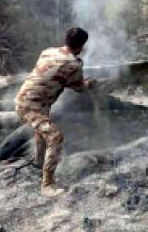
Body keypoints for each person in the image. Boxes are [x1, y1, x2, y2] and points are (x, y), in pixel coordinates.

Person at [15, 27, 95, 196]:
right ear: (81, 46)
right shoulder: (73, 65)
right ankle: (47, 185)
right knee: (55, 137)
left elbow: (53, 73)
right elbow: (79, 88)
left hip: (26, 100)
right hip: (31, 106)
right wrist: (90, 83)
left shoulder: (47, 52)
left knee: (41, 134)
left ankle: (38, 163)